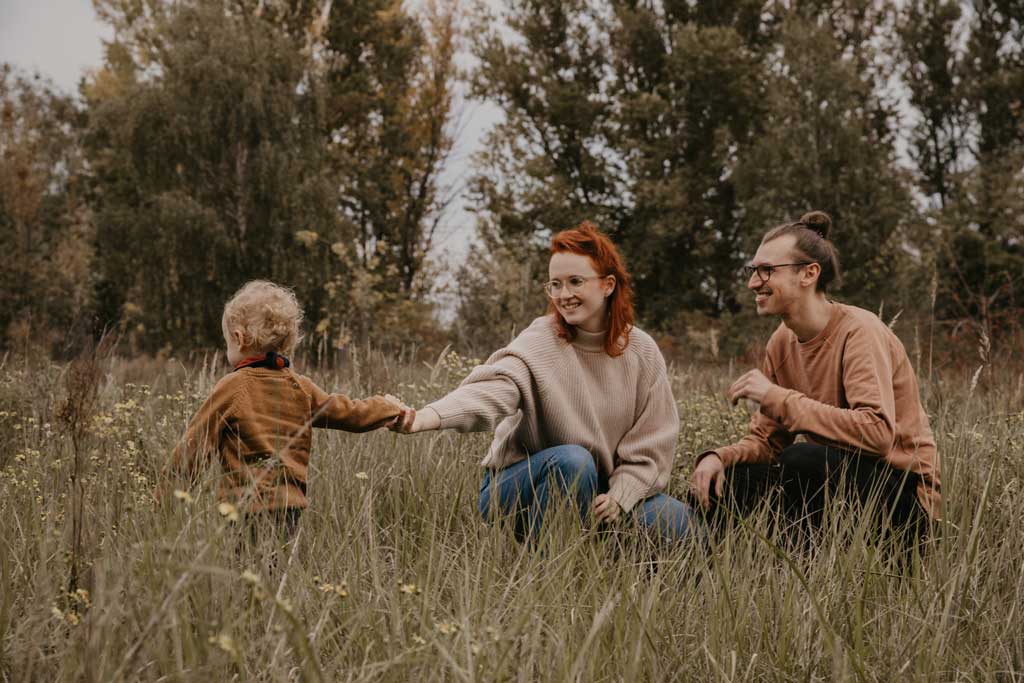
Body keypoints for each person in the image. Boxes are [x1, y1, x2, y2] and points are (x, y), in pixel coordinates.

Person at [390, 222, 700, 546]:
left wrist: (622, 496)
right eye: (555, 284)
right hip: (517, 487)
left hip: (602, 491)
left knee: (688, 531)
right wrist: (422, 417)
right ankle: (547, 571)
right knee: (573, 461)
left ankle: (601, 545)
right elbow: (495, 389)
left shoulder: (641, 351)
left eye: (575, 282)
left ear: (608, 285)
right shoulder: (542, 340)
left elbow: (653, 442)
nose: (564, 295)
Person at [688, 211, 940, 543]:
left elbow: (878, 434)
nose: (753, 283)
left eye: (767, 270)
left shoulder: (859, 332)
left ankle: (809, 569)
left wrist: (779, 398)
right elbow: (767, 442)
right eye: (752, 271)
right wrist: (718, 457)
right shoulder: (781, 341)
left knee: (802, 460)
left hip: (903, 498)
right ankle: (706, 564)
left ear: (809, 274)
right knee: (732, 478)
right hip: (841, 482)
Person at [163, 280, 406, 541]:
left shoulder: (233, 386)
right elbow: (350, 414)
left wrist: (166, 498)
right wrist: (387, 407)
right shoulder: (300, 387)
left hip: (245, 506)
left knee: (246, 571)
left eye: (227, 343)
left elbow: (195, 443)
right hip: (289, 507)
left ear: (239, 338)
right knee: (276, 572)